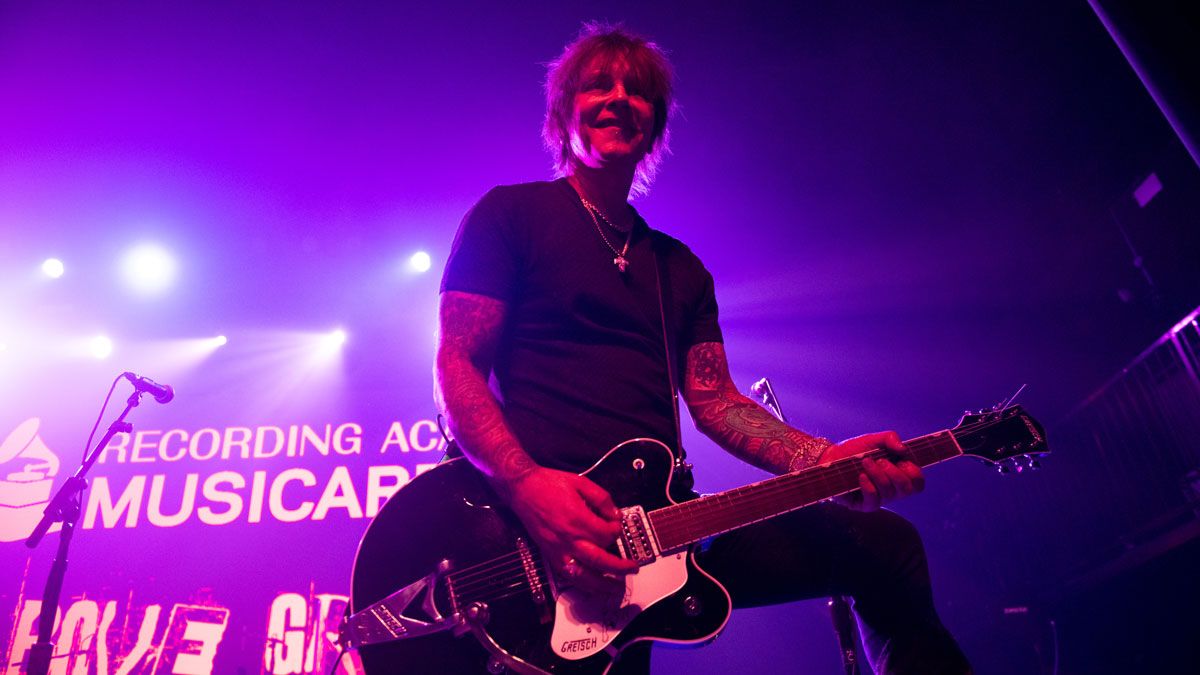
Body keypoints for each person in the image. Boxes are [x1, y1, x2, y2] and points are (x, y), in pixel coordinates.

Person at [434, 22, 971, 675]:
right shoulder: (511, 216)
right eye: (598, 85)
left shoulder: (678, 270)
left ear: (654, 126)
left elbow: (717, 402)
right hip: (536, 524)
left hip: (658, 529)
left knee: (886, 547)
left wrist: (827, 459)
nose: (618, 99)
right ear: (562, 114)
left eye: (638, 92)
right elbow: (458, 361)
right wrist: (525, 485)